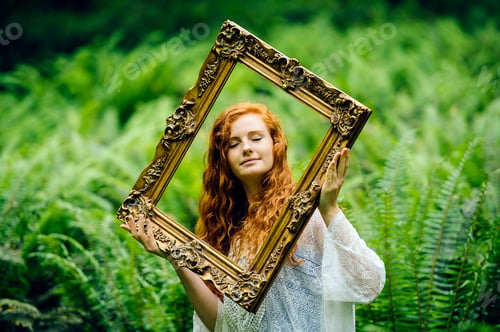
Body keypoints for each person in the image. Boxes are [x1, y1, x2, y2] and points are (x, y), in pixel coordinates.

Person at [121, 102, 385, 332]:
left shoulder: (305, 215)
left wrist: (329, 209)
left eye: (256, 138)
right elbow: (223, 326)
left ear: (275, 145)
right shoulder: (225, 233)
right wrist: (176, 258)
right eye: (234, 144)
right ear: (224, 159)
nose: (246, 148)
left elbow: (368, 280)